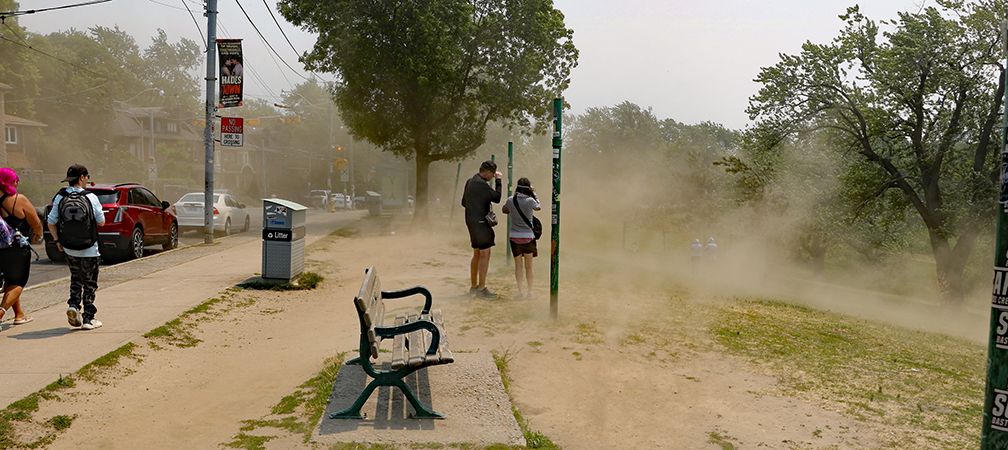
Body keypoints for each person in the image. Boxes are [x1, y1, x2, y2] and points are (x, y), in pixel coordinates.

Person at [47, 164, 105, 330]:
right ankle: (88, 319)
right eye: (87, 177)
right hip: (89, 248)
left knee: (76, 278)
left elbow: (51, 222)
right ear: (82, 178)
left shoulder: (60, 196)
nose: (88, 180)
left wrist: (58, 241)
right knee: (90, 282)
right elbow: (101, 222)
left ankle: (73, 306)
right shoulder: (91, 197)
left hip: (69, 248)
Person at [0, 168, 43, 326]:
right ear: (10, 182)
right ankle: (0, 313)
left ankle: (19, 315)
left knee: (10, 281)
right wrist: (37, 235)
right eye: (15, 180)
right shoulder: (19, 199)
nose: (17, 182)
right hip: (16, 249)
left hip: (0, 248)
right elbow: (36, 223)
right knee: (18, 283)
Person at [461, 160, 502, 298]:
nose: (492, 177)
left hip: (471, 222)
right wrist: (499, 181)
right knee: (485, 254)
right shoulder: (481, 185)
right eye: (492, 174)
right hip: (480, 223)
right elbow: (497, 198)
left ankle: (474, 286)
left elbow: (463, 202)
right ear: (489, 172)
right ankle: (482, 289)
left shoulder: (470, 181)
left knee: (477, 254)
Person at [502, 177, 541, 300]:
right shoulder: (530, 201)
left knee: (518, 266)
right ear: (528, 188)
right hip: (528, 237)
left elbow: (504, 210)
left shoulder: (510, 200)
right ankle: (530, 292)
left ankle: (520, 292)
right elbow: (538, 207)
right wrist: (534, 192)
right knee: (529, 267)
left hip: (514, 237)